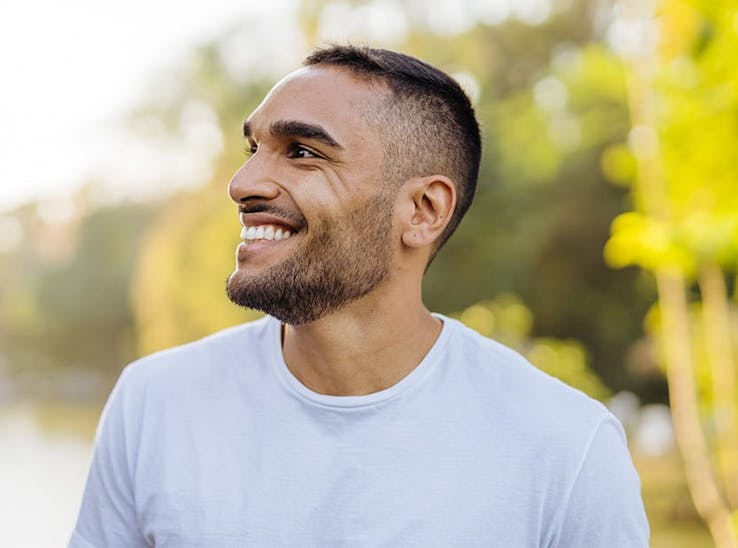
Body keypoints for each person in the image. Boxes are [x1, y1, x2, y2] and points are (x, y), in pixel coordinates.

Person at [69, 45, 649, 547]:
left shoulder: (567, 449)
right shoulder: (154, 404)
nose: (242, 184)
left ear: (423, 211)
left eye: (302, 151)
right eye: (254, 149)